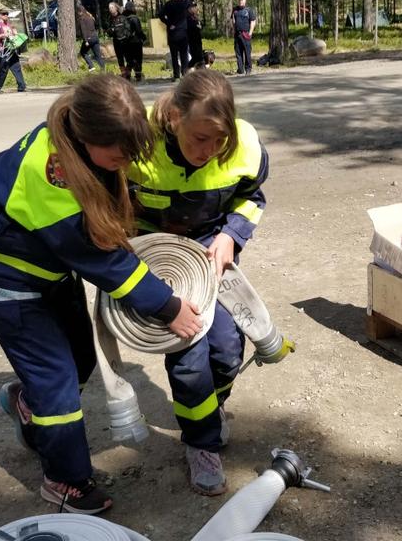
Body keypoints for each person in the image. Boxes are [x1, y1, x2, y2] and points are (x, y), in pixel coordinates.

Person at [0, 74, 204, 514]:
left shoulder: (82, 133)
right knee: (57, 383)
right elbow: (101, 259)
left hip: (48, 268)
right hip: (8, 278)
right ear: (87, 136)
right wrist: (168, 307)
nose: (126, 161)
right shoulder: (51, 177)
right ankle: (65, 481)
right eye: (119, 155)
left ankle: (25, 401)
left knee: (79, 358)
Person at [127, 70, 270, 496]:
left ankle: (212, 410)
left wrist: (232, 235)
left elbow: (253, 197)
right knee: (189, 356)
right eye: (199, 139)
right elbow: (113, 205)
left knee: (226, 350)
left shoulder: (244, 145)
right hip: (160, 260)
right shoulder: (140, 147)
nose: (208, 152)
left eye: (218, 140)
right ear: (173, 117)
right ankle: (200, 443)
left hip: (212, 255)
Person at [159, 0, 191, 81]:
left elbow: (160, 15)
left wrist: (169, 24)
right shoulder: (184, 3)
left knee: (174, 55)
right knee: (184, 55)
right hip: (183, 33)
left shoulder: (168, 4)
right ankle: (185, 74)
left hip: (172, 33)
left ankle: (176, 75)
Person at [0, 9, 27, 93]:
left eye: (7, 14)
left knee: (16, 67)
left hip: (11, 49)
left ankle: (22, 86)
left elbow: (12, 36)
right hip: (3, 50)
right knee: (4, 69)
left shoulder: (8, 24)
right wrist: (3, 35)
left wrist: (15, 33)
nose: (6, 15)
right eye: (3, 14)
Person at [231, 0, 257, 75]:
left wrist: (250, 33)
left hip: (246, 34)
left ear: (245, 0)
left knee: (247, 52)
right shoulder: (235, 10)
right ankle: (240, 69)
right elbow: (233, 20)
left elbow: (253, 21)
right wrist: (234, 30)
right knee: (238, 53)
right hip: (237, 34)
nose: (240, 1)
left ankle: (248, 69)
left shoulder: (249, 10)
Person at [122, 2, 146, 82]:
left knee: (129, 60)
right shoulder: (134, 18)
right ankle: (138, 76)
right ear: (132, 8)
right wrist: (144, 37)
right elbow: (138, 31)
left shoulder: (122, 18)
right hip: (135, 42)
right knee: (138, 59)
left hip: (125, 43)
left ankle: (127, 76)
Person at [77, 6, 105, 72]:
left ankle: (91, 66)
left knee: (83, 52)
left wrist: (86, 40)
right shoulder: (90, 17)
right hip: (95, 37)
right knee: (98, 55)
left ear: (80, 12)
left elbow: (83, 30)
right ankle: (103, 70)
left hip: (89, 38)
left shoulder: (82, 19)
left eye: (78, 12)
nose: (78, 14)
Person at [108, 3, 132, 79]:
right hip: (116, 42)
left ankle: (128, 72)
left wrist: (126, 36)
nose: (110, 9)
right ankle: (124, 74)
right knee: (120, 58)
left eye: (112, 7)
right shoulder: (110, 19)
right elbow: (108, 31)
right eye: (109, 8)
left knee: (128, 58)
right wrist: (111, 31)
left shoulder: (123, 17)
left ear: (116, 8)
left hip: (125, 42)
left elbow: (128, 28)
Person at [186, 3, 205, 70]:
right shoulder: (188, 17)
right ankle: (187, 69)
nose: (195, 9)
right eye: (193, 7)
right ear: (189, 9)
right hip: (192, 40)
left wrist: (200, 26)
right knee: (196, 57)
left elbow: (201, 25)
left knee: (198, 57)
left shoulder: (196, 17)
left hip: (198, 40)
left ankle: (199, 70)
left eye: (195, 7)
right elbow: (191, 27)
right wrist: (197, 27)